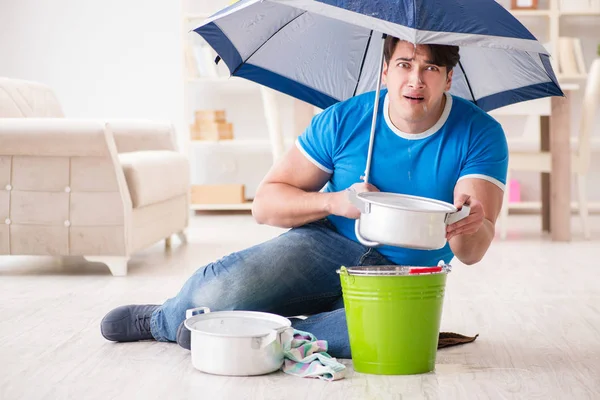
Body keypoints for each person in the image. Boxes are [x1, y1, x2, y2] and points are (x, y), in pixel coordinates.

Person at [100, 36, 508, 358]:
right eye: (404, 64)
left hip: (406, 274)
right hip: (327, 243)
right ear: (385, 70)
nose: (415, 80)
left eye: (430, 68)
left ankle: (243, 332)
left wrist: (468, 226)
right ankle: (162, 320)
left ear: (448, 78)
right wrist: (336, 202)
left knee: (388, 335)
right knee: (213, 295)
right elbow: (266, 204)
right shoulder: (345, 119)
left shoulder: (480, 134)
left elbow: (471, 252)